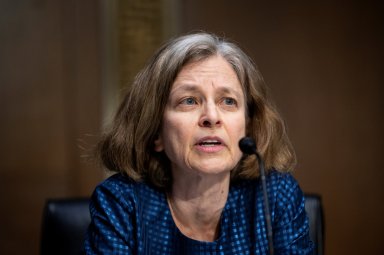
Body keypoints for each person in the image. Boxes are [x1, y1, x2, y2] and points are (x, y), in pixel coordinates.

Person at [83, 32, 313, 254]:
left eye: (228, 101)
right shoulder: (123, 202)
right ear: (155, 132)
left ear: (248, 127)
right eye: (189, 101)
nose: (212, 117)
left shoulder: (274, 196)